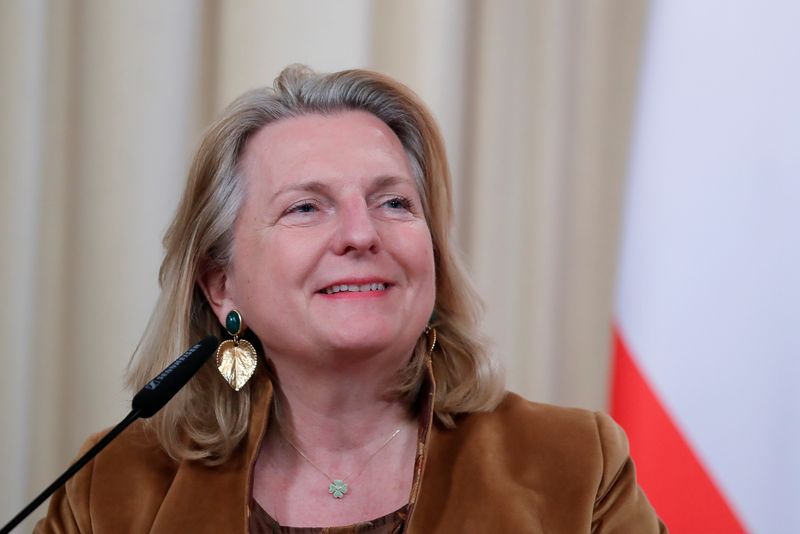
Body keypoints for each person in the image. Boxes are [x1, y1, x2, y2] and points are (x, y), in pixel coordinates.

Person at [36, 65, 666, 533]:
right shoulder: (111, 486)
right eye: (306, 207)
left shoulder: (576, 465)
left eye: (395, 203)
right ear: (221, 284)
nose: (363, 234)